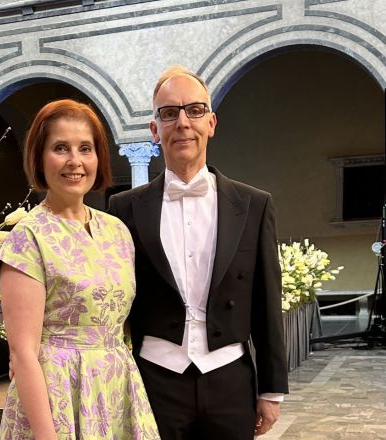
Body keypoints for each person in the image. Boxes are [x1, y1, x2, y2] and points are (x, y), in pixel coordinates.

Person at [108, 65, 289, 439]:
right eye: (169, 113)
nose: (182, 123)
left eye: (194, 110)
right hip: (154, 378)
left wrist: (271, 391)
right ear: (154, 130)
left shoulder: (254, 205)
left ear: (211, 122)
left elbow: (267, 302)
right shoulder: (123, 209)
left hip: (229, 378)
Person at [0, 99, 160, 439]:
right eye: (60, 148)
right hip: (56, 399)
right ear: (39, 158)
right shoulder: (27, 238)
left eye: (85, 148)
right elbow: (23, 354)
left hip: (116, 389)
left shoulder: (117, 231)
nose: (75, 161)